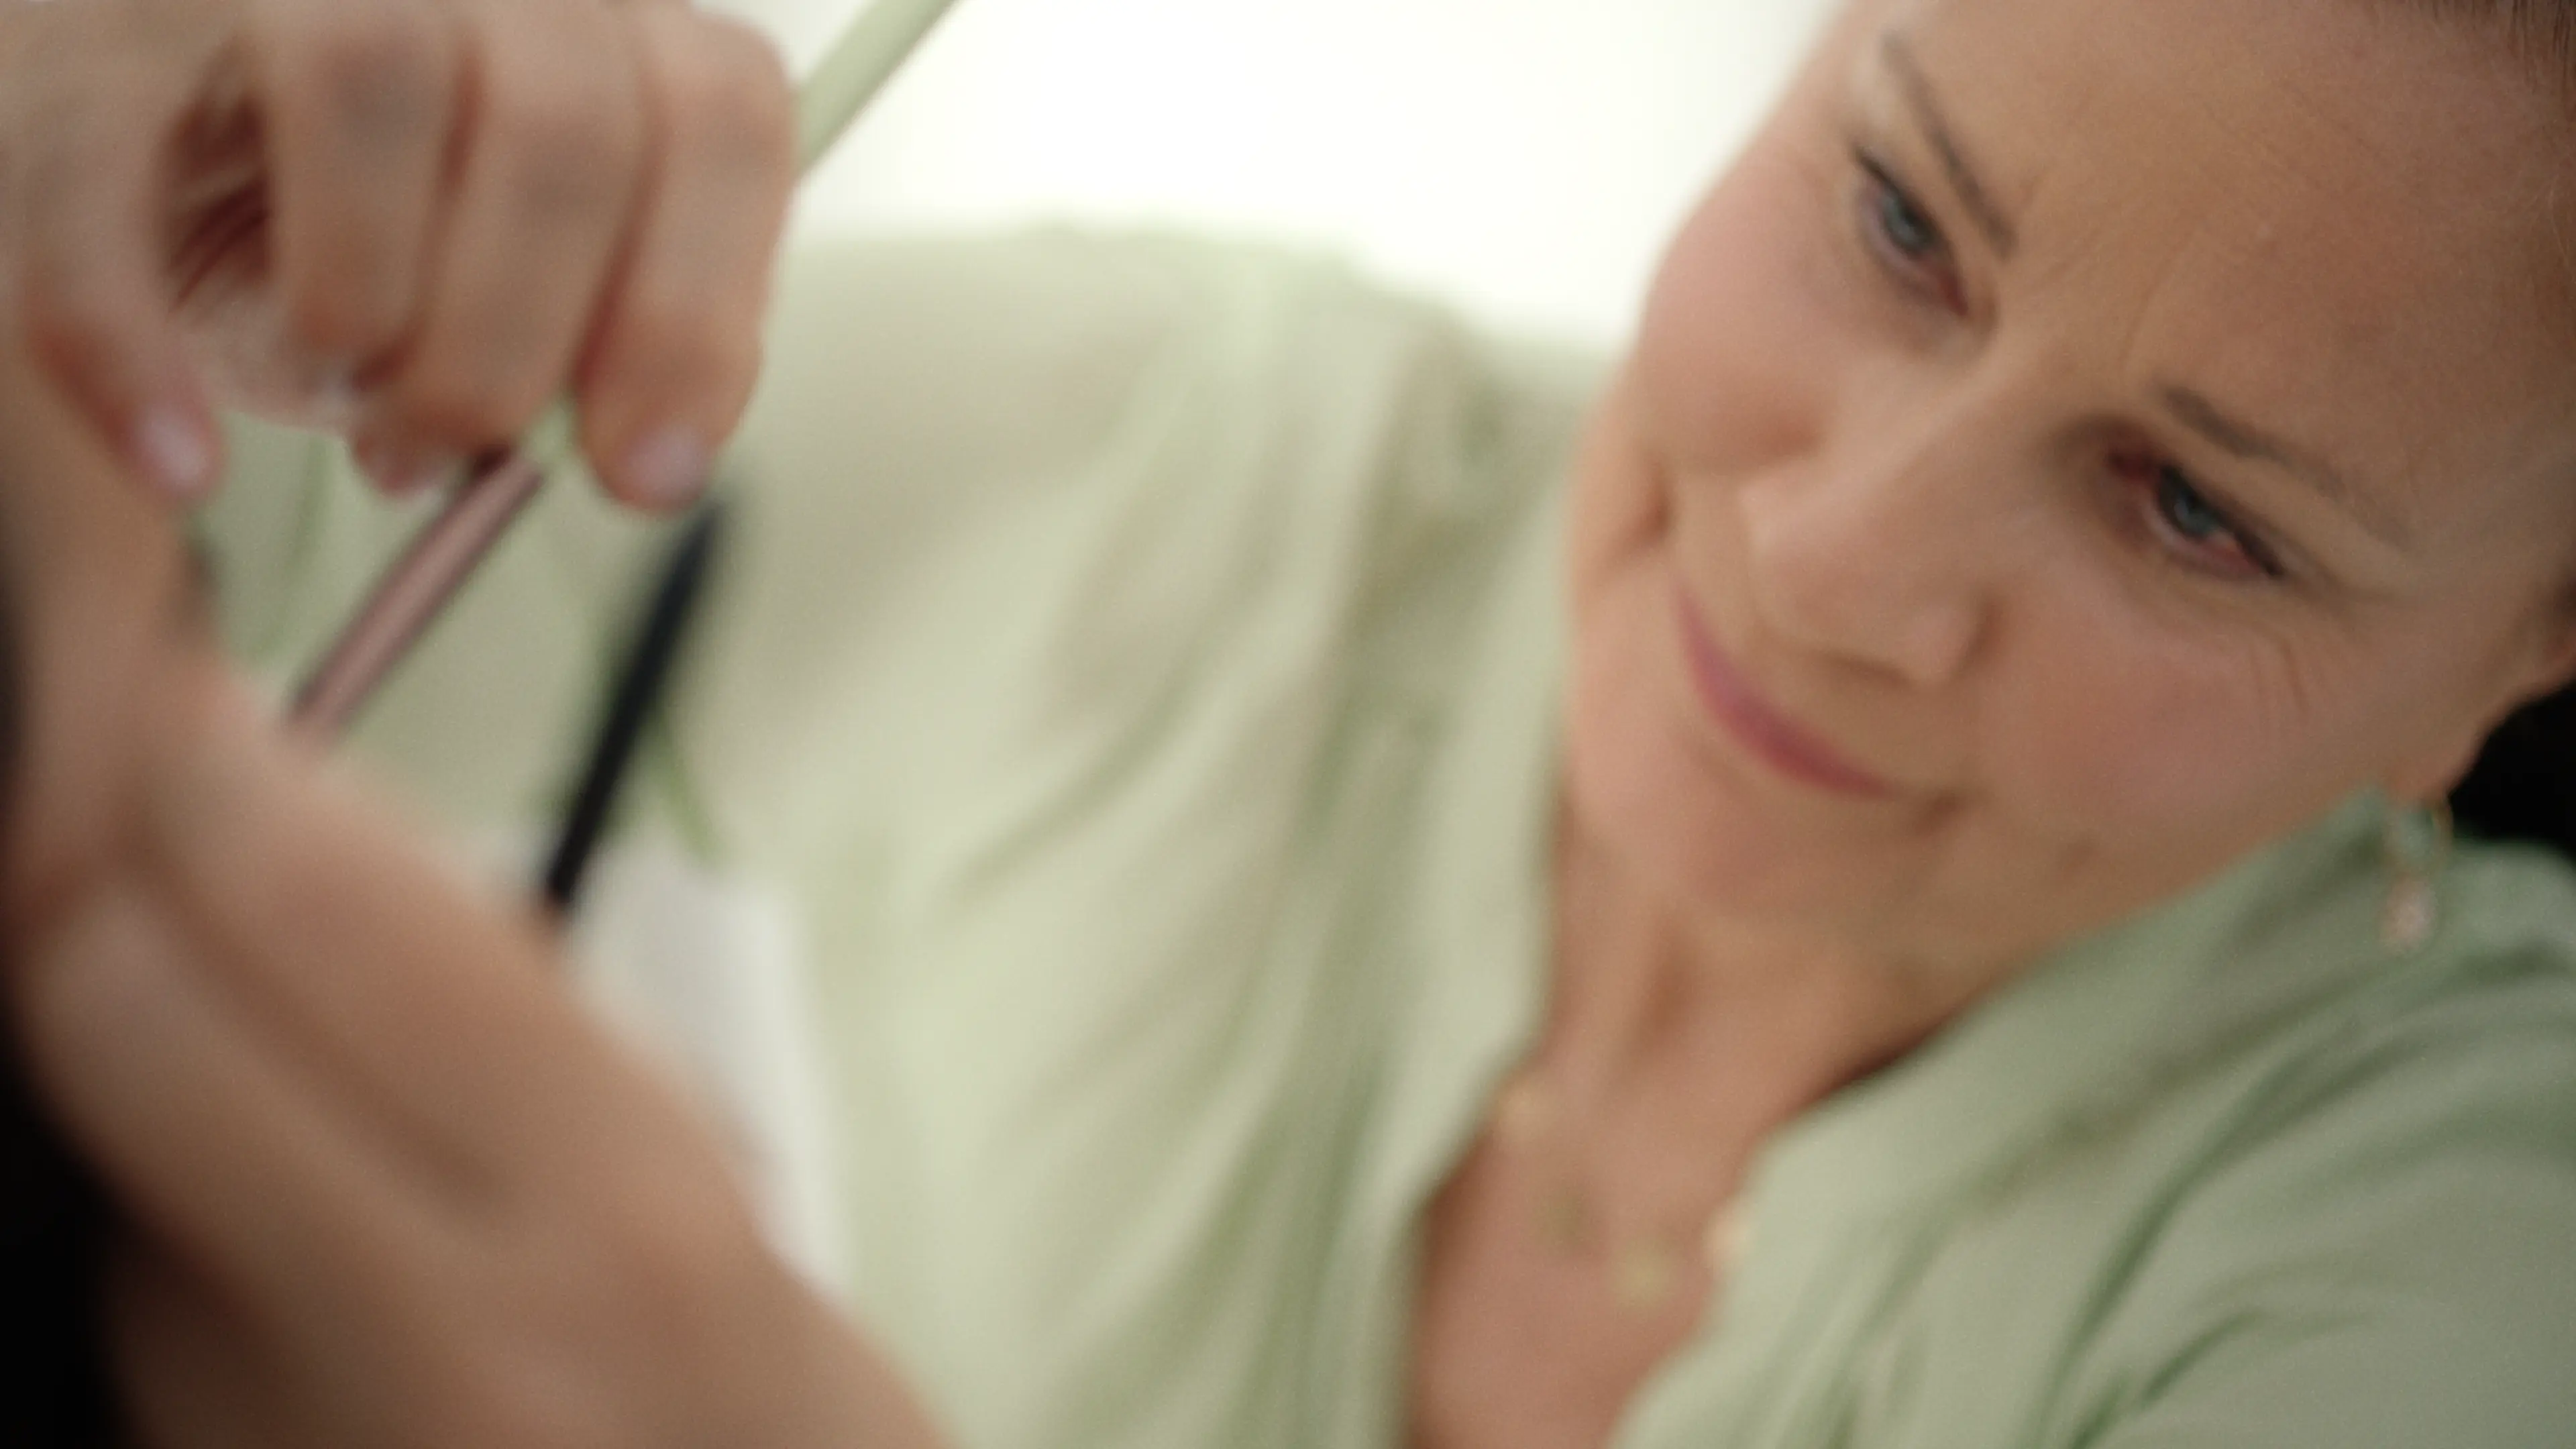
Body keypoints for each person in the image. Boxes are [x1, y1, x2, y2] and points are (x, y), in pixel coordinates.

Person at [5, 0, 2576, 1446]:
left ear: (2511, 664)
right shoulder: (1194, 485)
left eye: (2194, 516)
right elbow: (216, 528)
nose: (1825, 564)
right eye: (1902, 223)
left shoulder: (2488, 1274)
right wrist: (77, 171)